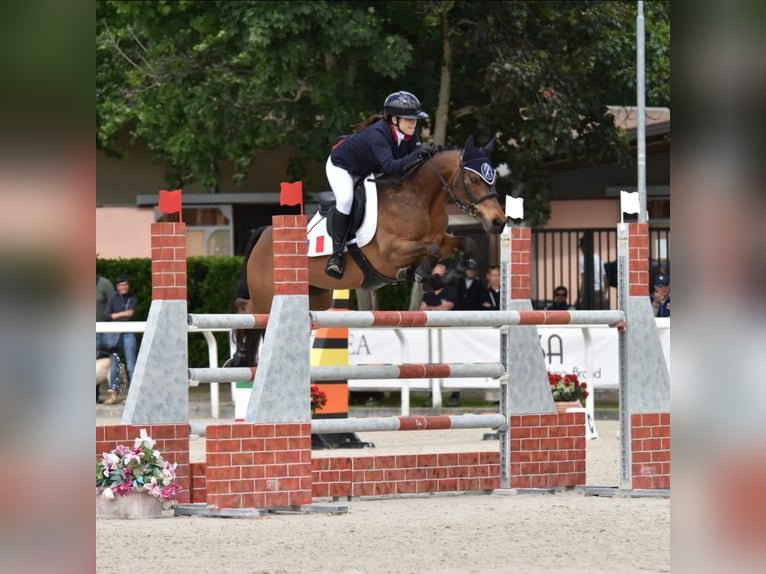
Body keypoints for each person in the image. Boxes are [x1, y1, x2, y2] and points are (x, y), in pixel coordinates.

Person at [324, 90, 432, 279]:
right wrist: (418, 154)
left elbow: (410, 167)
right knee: (346, 199)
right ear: (393, 120)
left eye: (415, 119)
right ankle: (336, 256)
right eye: (408, 119)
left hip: (368, 168)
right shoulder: (377, 134)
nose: (413, 123)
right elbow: (391, 166)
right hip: (343, 167)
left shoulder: (410, 136)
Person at [418, 264, 461, 405]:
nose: (436, 277)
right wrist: (437, 307)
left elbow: (448, 306)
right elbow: (421, 309)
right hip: (431, 333)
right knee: (431, 363)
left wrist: (430, 308)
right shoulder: (428, 292)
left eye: (439, 275)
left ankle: (455, 395)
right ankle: (432, 394)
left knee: (452, 362)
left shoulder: (451, 290)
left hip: (448, 334)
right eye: (434, 274)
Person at [103, 274, 138, 405]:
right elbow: (107, 316)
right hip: (115, 335)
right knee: (115, 365)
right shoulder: (112, 299)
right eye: (121, 285)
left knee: (131, 364)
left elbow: (131, 314)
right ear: (117, 287)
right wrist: (123, 314)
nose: (124, 287)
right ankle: (114, 395)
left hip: (128, 333)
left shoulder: (132, 298)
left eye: (126, 285)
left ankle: (134, 395)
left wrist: (115, 315)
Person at [96, 272, 115, 403]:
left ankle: (107, 394)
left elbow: (113, 303)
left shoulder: (105, 284)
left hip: (101, 330)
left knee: (98, 363)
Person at [577, 238, 608, 309]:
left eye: (581, 247)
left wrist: (580, 297)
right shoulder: (598, 258)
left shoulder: (583, 260)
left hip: (589, 294)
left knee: (585, 317)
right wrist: (603, 293)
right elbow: (605, 278)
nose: (581, 249)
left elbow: (584, 280)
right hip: (601, 294)